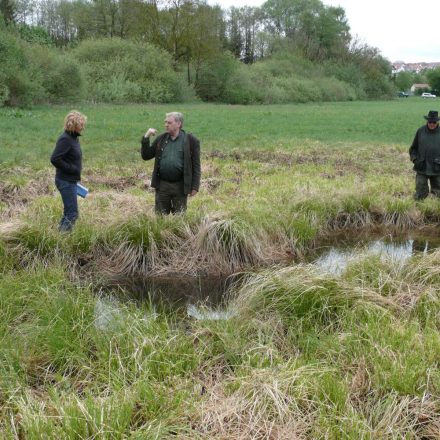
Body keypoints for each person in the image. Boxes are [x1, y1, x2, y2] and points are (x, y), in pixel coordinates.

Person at [141, 112, 201, 214]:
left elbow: (196, 165)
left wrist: (195, 186)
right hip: (162, 186)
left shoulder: (191, 140)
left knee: (179, 218)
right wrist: (146, 137)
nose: (166, 125)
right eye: (165, 122)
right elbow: (146, 156)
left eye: (169, 122)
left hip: (181, 186)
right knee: (160, 217)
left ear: (178, 124)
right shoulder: (161, 139)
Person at [50, 110, 87, 232]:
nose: (83, 127)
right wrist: (72, 169)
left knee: (69, 213)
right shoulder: (65, 139)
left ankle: (58, 237)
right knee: (72, 214)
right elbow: (55, 159)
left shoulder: (73, 138)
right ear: (74, 125)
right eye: (81, 124)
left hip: (70, 180)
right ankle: (62, 240)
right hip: (65, 181)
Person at [409, 110, 440, 200]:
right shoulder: (420, 131)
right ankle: (418, 210)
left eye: (434, 122)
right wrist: (415, 159)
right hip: (422, 166)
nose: (432, 124)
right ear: (427, 121)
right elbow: (413, 148)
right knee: (420, 192)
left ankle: (435, 211)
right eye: (430, 121)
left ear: (437, 122)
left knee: (438, 194)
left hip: (437, 168)